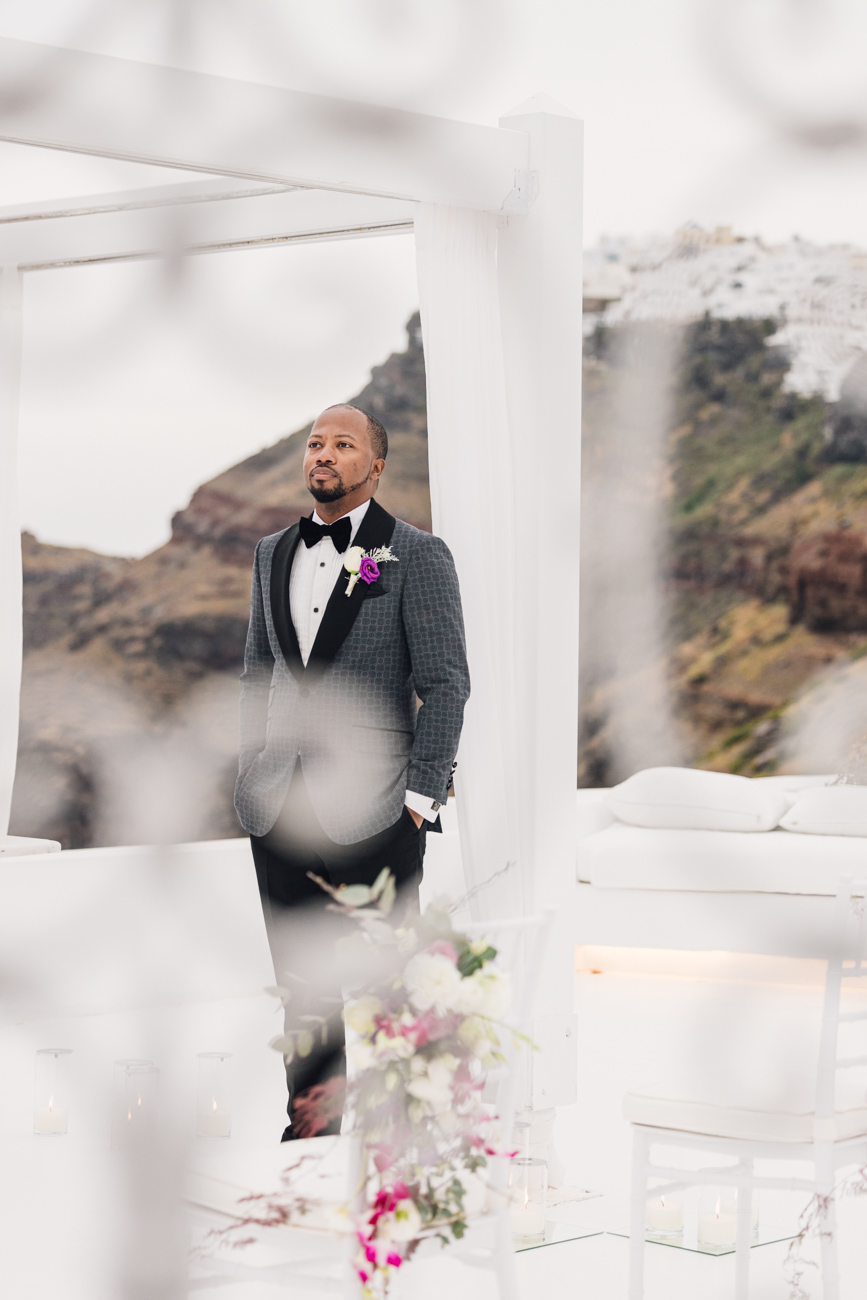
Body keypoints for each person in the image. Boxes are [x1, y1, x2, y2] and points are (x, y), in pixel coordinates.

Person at [234, 403, 470, 1140]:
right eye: (314, 444)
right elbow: (257, 674)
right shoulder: (271, 552)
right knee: (303, 992)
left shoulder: (416, 554)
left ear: (375, 465)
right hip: (280, 807)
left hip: (376, 811)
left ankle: (414, 1144)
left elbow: (446, 683)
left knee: (397, 990)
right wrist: (250, 772)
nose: (323, 455)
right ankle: (310, 1140)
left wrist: (419, 799)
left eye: (342, 444)